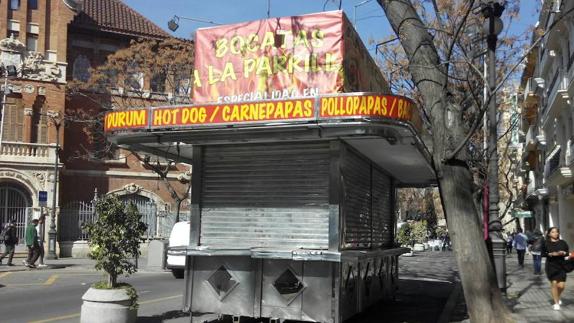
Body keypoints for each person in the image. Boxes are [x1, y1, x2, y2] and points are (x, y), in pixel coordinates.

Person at [541, 227, 570, 311]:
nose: (555, 233)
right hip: (551, 265)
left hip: (561, 266)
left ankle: (557, 296)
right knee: (554, 283)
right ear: (549, 234)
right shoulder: (546, 243)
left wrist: (564, 253)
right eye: (553, 232)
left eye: (557, 232)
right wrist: (550, 254)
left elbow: (567, 253)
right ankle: (556, 303)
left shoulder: (563, 242)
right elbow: (543, 254)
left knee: (561, 286)